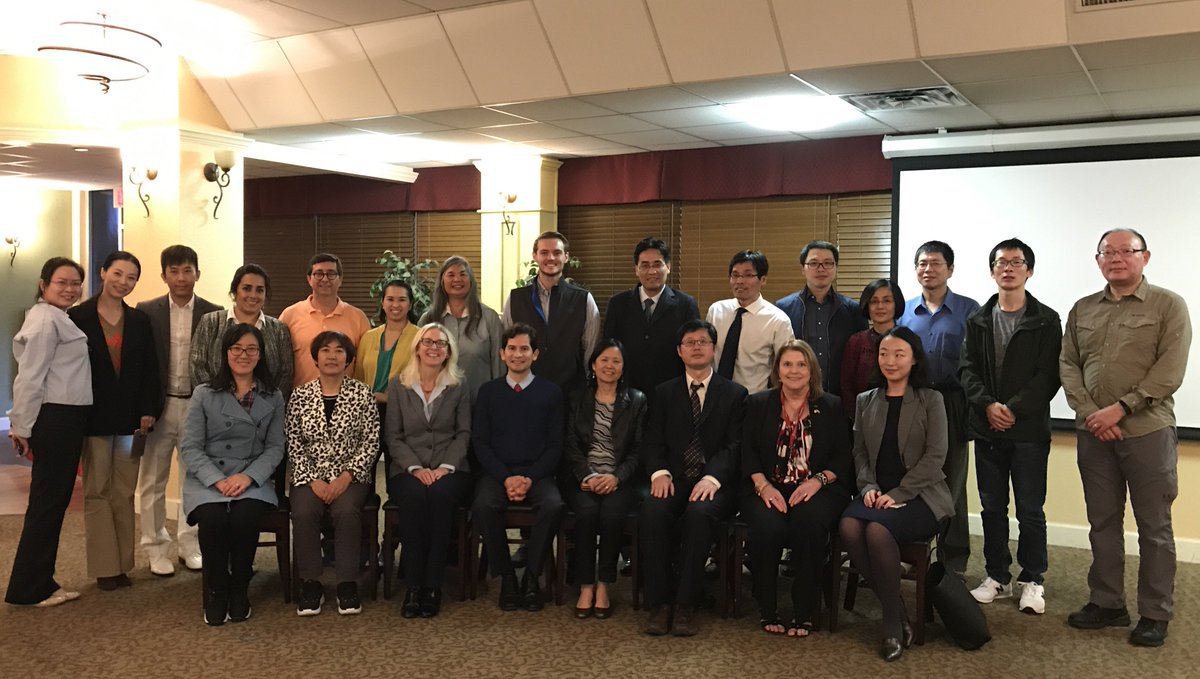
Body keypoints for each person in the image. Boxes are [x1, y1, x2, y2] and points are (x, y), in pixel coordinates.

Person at [1061, 228, 1191, 648]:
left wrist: (1121, 408)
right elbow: (1068, 365)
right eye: (1108, 252)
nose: (1116, 258)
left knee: (1154, 527)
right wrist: (1090, 414)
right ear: (1097, 260)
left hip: (1147, 431)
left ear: (1145, 257)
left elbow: (1170, 371)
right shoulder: (1082, 309)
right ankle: (1108, 602)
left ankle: (1155, 612)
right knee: (1102, 521)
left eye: (1126, 251)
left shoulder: (1169, 305)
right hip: (1092, 434)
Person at [959, 239, 1061, 615]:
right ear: (992, 271)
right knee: (991, 507)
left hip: (1029, 432)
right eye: (1001, 262)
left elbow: (1049, 375)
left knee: (1030, 509)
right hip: (987, 430)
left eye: (1017, 262)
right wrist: (988, 406)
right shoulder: (977, 319)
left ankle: (1032, 578)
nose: (1008, 268)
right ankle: (996, 575)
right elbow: (965, 369)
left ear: (1028, 271)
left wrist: (1013, 409)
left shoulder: (1046, 319)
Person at [838, 326, 953, 662]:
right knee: (848, 527)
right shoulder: (866, 400)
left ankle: (890, 623)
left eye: (899, 354)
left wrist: (900, 492)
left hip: (921, 497)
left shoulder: (931, 400)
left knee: (875, 530)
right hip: (876, 493)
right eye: (884, 353)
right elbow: (859, 452)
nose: (890, 361)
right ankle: (898, 609)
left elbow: (936, 456)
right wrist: (870, 487)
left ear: (914, 359)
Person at [641, 320, 747, 637]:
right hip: (673, 478)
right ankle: (660, 603)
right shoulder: (663, 392)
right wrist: (659, 473)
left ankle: (686, 603)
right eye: (690, 342)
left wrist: (713, 477)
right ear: (679, 351)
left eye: (703, 341)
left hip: (716, 483)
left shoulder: (735, 394)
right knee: (652, 509)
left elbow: (735, 446)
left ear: (714, 349)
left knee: (699, 514)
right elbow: (652, 440)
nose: (697, 347)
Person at [741, 339, 852, 637]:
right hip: (766, 485)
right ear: (778, 369)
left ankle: (805, 610)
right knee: (768, 527)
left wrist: (818, 481)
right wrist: (763, 486)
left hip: (819, 487)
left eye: (801, 364)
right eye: (787, 364)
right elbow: (747, 452)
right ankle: (768, 608)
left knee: (809, 523)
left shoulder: (831, 405)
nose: (794, 370)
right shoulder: (758, 403)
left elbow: (843, 456)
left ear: (811, 370)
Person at [68, 251, 162, 592]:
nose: (123, 282)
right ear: (103, 272)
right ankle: (105, 568)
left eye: (131, 277)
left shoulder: (139, 321)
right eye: (118, 274)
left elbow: (151, 370)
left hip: (130, 423)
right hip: (92, 418)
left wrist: (149, 409)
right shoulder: (76, 317)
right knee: (97, 491)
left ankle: (123, 564)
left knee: (122, 492)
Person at [179, 324, 285, 626]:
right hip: (209, 478)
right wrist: (217, 479)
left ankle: (239, 588)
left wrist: (248, 478)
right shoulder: (204, 394)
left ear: (260, 355)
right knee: (212, 518)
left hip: (253, 478)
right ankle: (217, 589)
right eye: (237, 348)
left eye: (251, 349)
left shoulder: (273, 396)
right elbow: (190, 446)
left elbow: (276, 447)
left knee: (244, 517)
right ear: (226, 353)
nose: (244, 355)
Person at [4, 258, 91, 607]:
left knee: (52, 504)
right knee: (46, 505)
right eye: (62, 283)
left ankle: (39, 581)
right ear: (44, 285)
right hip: (55, 421)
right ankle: (30, 588)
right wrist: (20, 426)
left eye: (75, 283)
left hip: (66, 421)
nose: (70, 289)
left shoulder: (58, 317)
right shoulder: (43, 320)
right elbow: (29, 377)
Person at [134, 245, 222, 576]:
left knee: (194, 478)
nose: (181, 278)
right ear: (164, 275)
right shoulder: (146, 310)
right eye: (174, 271)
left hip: (197, 406)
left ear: (198, 273)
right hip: (159, 408)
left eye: (187, 270)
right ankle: (155, 548)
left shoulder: (214, 313)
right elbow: (140, 365)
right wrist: (144, 407)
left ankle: (190, 545)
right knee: (153, 479)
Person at [897, 240, 979, 577]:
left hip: (952, 401)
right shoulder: (904, 310)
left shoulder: (969, 309)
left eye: (935, 263)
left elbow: (976, 361)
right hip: (912, 401)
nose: (928, 270)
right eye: (922, 264)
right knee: (911, 475)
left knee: (952, 482)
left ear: (950, 269)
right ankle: (912, 552)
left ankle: (952, 562)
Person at [471, 323, 565, 612]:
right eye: (511, 348)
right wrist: (506, 478)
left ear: (535, 354)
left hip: (537, 473)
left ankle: (532, 576)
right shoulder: (488, 392)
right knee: (483, 506)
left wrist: (528, 477)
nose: (518, 354)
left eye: (524, 348)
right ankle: (508, 577)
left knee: (554, 505)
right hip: (498, 473)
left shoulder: (551, 392)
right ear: (502, 353)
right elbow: (481, 444)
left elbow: (555, 446)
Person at [287, 331, 379, 617]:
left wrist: (346, 477)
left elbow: (371, 440)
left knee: (347, 510)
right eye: (325, 350)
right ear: (315, 358)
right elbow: (293, 441)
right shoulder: (301, 395)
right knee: (303, 511)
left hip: (350, 476)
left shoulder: (362, 393)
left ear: (349, 359)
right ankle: (311, 582)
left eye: (339, 351)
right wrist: (312, 478)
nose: (331, 356)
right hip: (309, 476)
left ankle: (347, 582)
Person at [386, 323, 472, 619]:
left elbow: (463, 433)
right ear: (417, 347)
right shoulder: (398, 384)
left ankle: (432, 585)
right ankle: (413, 586)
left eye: (441, 343)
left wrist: (445, 468)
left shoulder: (458, 386)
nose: (434, 347)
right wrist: (415, 468)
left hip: (450, 469)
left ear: (449, 352)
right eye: (428, 342)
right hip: (406, 470)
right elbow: (393, 436)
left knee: (439, 497)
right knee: (412, 498)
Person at [563, 339, 646, 619]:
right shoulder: (576, 398)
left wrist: (616, 477)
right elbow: (570, 444)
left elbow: (638, 450)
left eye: (616, 361)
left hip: (619, 479)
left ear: (623, 368)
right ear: (593, 365)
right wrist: (586, 475)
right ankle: (586, 584)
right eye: (604, 360)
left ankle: (604, 585)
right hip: (583, 477)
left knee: (612, 515)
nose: (610, 366)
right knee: (586, 512)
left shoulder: (636, 400)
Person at [501, 231, 599, 396]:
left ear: (566, 257)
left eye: (557, 253)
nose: (551, 258)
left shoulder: (583, 299)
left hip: (570, 393)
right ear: (535, 256)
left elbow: (590, 351)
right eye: (544, 252)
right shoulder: (515, 298)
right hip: (524, 391)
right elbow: (507, 348)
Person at [602, 237, 699, 402]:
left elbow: (691, 350)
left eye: (657, 264)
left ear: (668, 267)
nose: (651, 271)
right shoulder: (618, 304)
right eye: (645, 265)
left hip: (670, 393)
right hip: (626, 393)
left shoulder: (686, 304)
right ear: (636, 269)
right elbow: (609, 347)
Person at [775, 240, 866, 396]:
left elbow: (861, 358)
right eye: (814, 263)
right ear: (803, 269)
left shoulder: (852, 310)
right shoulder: (783, 308)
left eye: (828, 263)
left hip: (839, 398)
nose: (821, 269)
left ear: (836, 268)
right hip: (795, 395)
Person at [192, 264, 294, 396]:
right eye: (247, 288)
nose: (253, 295)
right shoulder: (210, 322)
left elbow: (285, 374)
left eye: (260, 290)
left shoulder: (278, 329)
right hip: (215, 410)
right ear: (234, 291)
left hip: (264, 411)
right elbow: (197, 366)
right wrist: (218, 402)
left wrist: (263, 405)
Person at [357, 280, 419, 486]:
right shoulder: (368, 337)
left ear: (410, 304)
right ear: (382, 303)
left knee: (397, 472)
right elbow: (358, 377)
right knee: (363, 475)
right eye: (390, 299)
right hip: (367, 414)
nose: (396, 305)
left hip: (402, 414)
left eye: (402, 300)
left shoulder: (420, 337)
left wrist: (388, 397)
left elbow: (423, 379)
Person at [706, 250, 793, 393]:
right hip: (715, 398)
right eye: (735, 275)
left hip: (753, 401)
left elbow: (786, 368)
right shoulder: (716, 311)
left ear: (763, 280)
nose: (740, 281)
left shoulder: (778, 320)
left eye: (748, 275)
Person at [279, 253, 370, 388]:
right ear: (309, 279)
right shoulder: (290, 315)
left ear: (340, 280)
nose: (325, 279)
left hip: (348, 402)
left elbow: (364, 364)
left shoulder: (358, 317)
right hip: (301, 401)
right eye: (319, 274)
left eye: (331, 274)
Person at [419, 255, 503, 400]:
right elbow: (417, 363)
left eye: (463, 274)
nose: (457, 279)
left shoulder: (490, 318)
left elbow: (499, 365)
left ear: (471, 280)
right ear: (442, 281)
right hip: (437, 405)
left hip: (480, 402)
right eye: (450, 275)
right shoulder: (428, 319)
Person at [841, 279, 905, 421]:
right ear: (867, 306)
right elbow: (846, 385)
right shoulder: (856, 342)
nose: (880, 306)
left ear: (896, 304)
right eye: (874, 301)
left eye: (887, 301)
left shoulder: (908, 340)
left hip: (903, 416)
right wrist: (855, 417)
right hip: (863, 418)